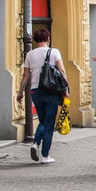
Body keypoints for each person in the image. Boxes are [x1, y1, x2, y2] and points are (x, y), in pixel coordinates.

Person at [16, 28, 69, 164]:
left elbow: (26, 75)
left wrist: (20, 92)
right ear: (48, 39)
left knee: (43, 120)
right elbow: (62, 70)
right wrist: (65, 89)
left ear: (35, 39)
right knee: (48, 123)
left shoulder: (30, 55)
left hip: (35, 91)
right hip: (51, 91)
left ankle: (36, 143)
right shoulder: (54, 52)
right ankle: (45, 155)